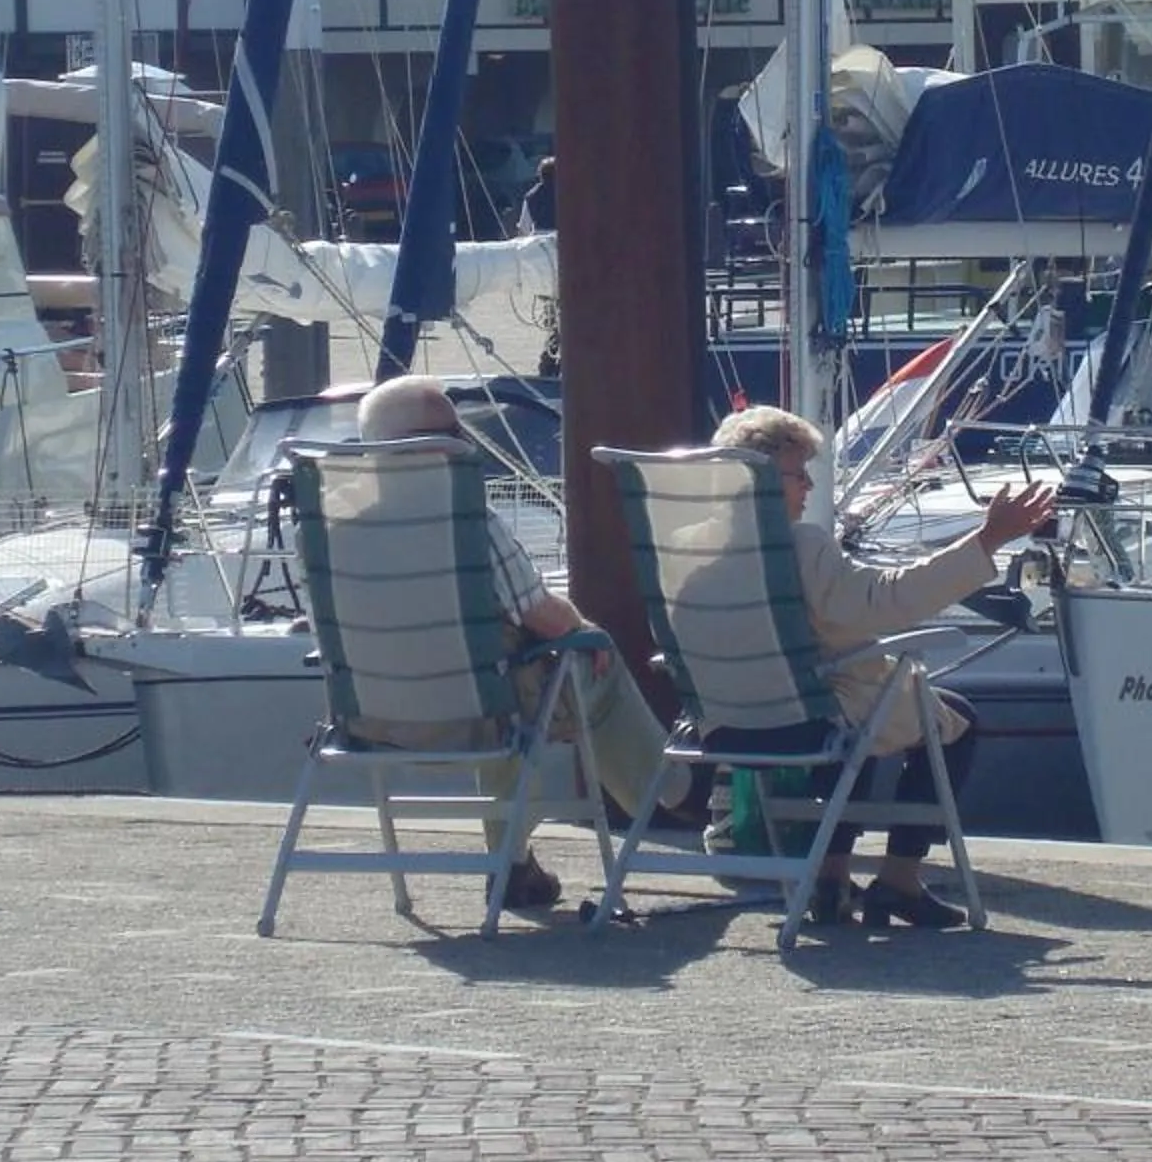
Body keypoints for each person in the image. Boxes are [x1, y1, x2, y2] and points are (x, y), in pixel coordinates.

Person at [712, 404, 1056, 930]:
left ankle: (829, 875)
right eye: (797, 473)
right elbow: (885, 600)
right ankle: (898, 878)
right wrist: (987, 539)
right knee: (939, 717)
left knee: (866, 702)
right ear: (756, 479)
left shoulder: (693, 547)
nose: (807, 486)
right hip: (808, 713)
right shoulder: (798, 546)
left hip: (722, 717)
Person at [350, 375, 683, 912]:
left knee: (500, 685)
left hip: (374, 721)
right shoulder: (469, 524)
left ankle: (514, 860)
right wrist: (582, 630)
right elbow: (541, 614)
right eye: (450, 428)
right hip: (479, 714)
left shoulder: (337, 530)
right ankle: (666, 794)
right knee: (591, 657)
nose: (465, 439)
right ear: (413, 444)